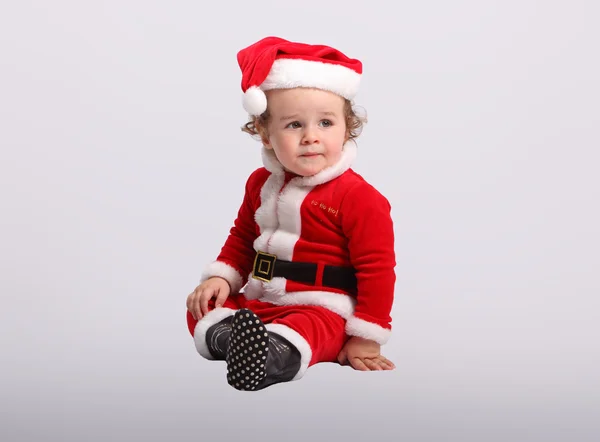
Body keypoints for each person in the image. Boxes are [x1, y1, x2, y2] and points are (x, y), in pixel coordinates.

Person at [185, 36, 397, 391]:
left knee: (314, 329)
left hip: (321, 304)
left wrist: (367, 334)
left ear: (347, 129)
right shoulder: (260, 183)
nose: (311, 137)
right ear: (266, 133)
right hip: (260, 299)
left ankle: (270, 357)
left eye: (326, 123)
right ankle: (234, 340)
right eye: (294, 125)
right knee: (201, 307)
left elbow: (377, 269)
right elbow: (241, 238)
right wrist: (221, 279)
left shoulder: (359, 197)